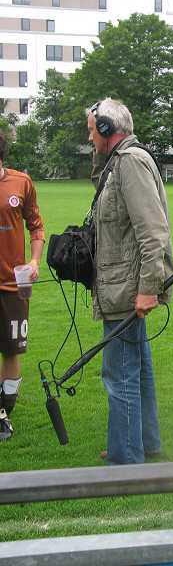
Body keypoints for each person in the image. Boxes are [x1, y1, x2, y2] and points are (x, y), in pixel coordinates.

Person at [86, 98, 173, 464]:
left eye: (92, 130)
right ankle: (145, 443)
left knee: (119, 373)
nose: (89, 138)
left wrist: (147, 289)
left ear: (108, 130)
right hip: (123, 285)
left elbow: (153, 232)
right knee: (137, 367)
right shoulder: (118, 162)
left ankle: (125, 459)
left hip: (126, 289)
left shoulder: (130, 163)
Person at [0, 131, 44, 441]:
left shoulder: (21, 182)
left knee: (12, 351)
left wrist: (34, 261)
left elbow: (36, 225)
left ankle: (4, 411)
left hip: (12, 284)